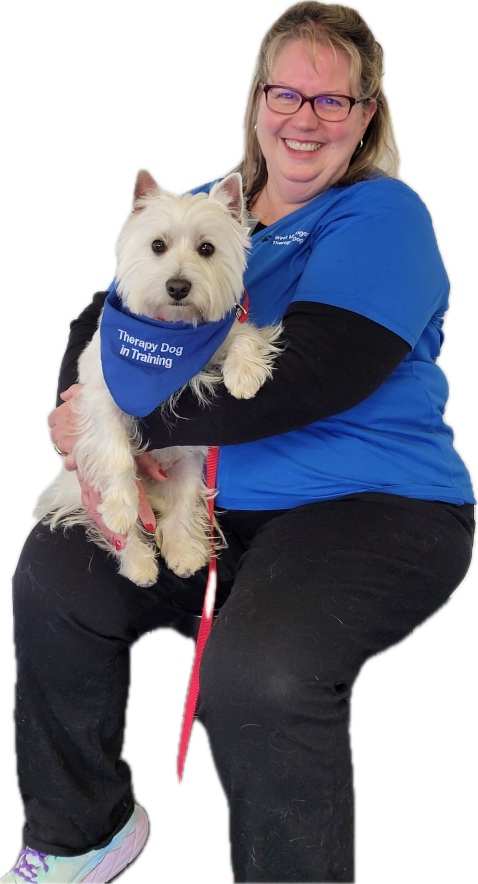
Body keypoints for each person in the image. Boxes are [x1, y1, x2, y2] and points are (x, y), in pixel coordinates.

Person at [1, 1, 475, 881]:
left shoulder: (381, 214)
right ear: (258, 100)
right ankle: (81, 833)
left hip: (368, 510)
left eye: (332, 100)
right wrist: (76, 409)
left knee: (259, 674)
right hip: (208, 504)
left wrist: (124, 417)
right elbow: (104, 320)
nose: (305, 118)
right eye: (286, 93)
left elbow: (314, 375)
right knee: (55, 573)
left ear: (367, 114)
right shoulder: (208, 207)